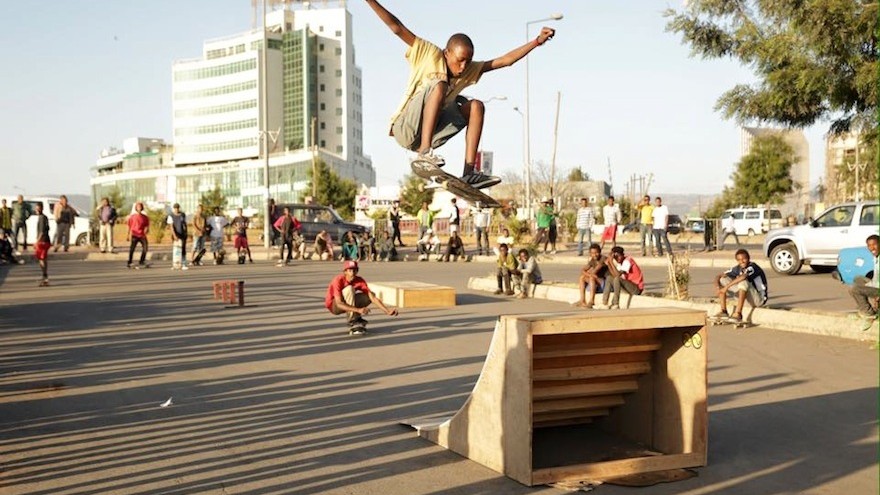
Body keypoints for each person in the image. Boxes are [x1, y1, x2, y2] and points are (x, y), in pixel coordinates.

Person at [366, 0, 555, 189]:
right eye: (460, 60)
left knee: (476, 106)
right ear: (447, 53)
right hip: (405, 128)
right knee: (439, 84)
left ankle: (469, 173)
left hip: (433, 134)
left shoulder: (468, 70)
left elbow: (505, 61)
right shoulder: (429, 53)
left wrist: (537, 42)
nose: (464, 67)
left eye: (468, 61)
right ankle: (425, 152)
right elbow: (396, 27)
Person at [325, 260, 399, 335]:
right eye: (350, 270)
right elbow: (339, 303)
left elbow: (372, 298)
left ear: (357, 271)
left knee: (369, 295)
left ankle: (356, 317)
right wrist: (358, 310)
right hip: (334, 305)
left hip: (346, 302)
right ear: (345, 272)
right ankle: (353, 320)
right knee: (349, 289)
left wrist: (387, 311)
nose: (352, 273)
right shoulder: (338, 280)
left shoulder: (359, 280)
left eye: (354, 270)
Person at [713, 248, 769, 322]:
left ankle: (738, 313)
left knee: (743, 281)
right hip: (747, 299)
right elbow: (719, 275)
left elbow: (744, 277)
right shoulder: (738, 268)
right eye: (739, 260)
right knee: (723, 279)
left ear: (748, 258)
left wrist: (726, 288)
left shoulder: (753, 267)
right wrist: (718, 287)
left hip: (758, 300)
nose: (742, 261)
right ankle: (724, 311)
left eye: (744, 259)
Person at [849, 234, 879, 319]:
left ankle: (869, 313)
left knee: (854, 289)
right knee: (858, 279)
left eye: (874, 244)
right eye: (869, 245)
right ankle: (866, 306)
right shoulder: (876, 257)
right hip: (876, 285)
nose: (872, 248)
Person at [575, 243, 609, 309]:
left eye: (596, 253)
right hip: (597, 280)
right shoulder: (592, 260)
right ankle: (582, 300)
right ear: (590, 253)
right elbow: (583, 270)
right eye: (592, 253)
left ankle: (591, 301)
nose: (595, 255)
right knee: (582, 277)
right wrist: (589, 274)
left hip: (605, 283)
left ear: (600, 252)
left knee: (591, 278)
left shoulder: (603, 258)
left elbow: (596, 270)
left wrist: (590, 274)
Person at [126, 202, 150, 269]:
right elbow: (129, 226)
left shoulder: (145, 217)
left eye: (140, 207)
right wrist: (127, 235)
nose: (139, 208)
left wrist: (147, 230)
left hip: (142, 235)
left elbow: (147, 225)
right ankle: (129, 261)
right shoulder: (132, 217)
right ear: (136, 208)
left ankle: (142, 261)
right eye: (138, 207)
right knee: (132, 249)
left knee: (145, 248)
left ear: (142, 208)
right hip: (134, 234)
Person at [167, 203, 189, 270]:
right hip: (176, 234)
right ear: (174, 208)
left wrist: (186, 233)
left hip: (183, 234)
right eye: (175, 208)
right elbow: (171, 227)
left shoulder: (183, 215)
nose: (176, 209)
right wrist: (174, 235)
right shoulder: (171, 216)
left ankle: (183, 263)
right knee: (176, 249)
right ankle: (175, 264)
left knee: (183, 249)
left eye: (177, 208)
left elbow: (185, 224)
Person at [33, 203, 51, 285]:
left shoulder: (41, 218)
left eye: (37, 209)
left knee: (41, 259)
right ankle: (45, 276)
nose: (36, 210)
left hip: (42, 241)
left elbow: (41, 231)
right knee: (44, 259)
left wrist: (37, 241)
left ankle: (45, 277)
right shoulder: (45, 217)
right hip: (47, 240)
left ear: (41, 209)